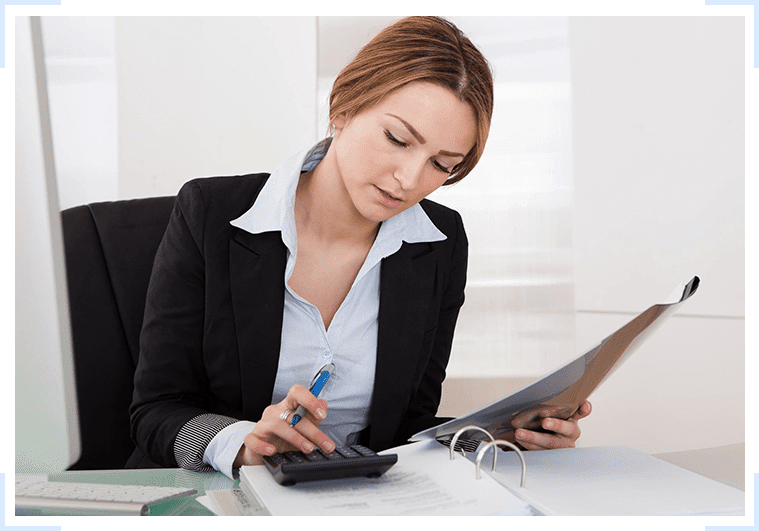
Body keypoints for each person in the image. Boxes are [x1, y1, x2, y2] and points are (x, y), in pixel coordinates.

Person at [128, 16, 591, 479]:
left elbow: (407, 425)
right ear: (343, 107)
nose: (410, 180)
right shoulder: (211, 214)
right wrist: (240, 441)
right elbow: (156, 412)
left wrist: (500, 435)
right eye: (397, 139)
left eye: (440, 165)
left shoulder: (439, 243)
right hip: (221, 496)